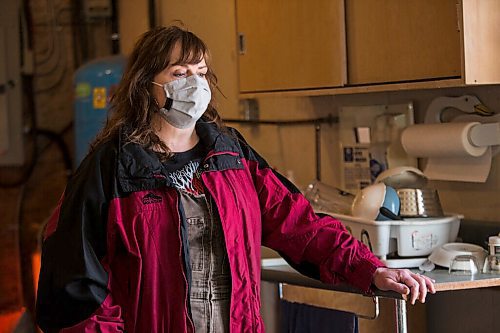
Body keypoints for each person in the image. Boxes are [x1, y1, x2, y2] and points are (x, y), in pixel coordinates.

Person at [35, 25, 435, 333]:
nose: (194, 83)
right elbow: (73, 284)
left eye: (201, 72)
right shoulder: (112, 167)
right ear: (146, 84)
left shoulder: (230, 155)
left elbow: (302, 226)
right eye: (179, 72)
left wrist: (371, 269)